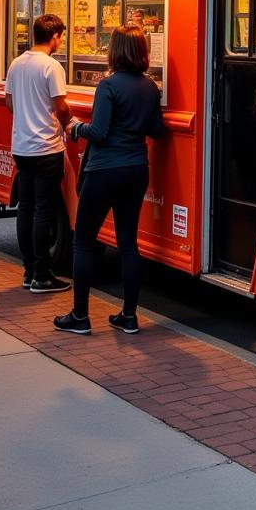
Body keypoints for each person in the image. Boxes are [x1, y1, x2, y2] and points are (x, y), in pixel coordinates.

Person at [55, 25, 163, 336]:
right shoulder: (150, 88)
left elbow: (99, 132)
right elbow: (156, 130)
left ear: (115, 51)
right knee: (129, 243)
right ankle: (129, 316)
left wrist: (76, 128)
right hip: (136, 169)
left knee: (84, 241)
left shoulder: (108, 86)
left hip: (104, 170)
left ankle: (80, 316)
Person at [4, 13, 72, 293]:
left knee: (26, 209)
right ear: (54, 36)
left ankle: (29, 270)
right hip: (46, 147)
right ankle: (42, 275)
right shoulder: (51, 67)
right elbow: (61, 106)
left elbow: (9, 103)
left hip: (21, 147)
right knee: (44, 210)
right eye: (61, 36)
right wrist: (67, 122)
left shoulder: (16, 64)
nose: (61, 41)